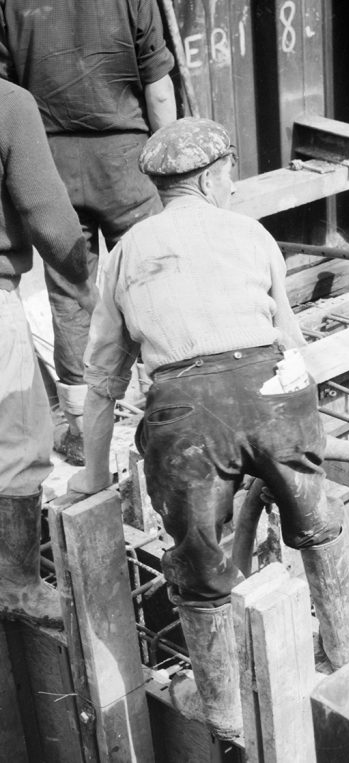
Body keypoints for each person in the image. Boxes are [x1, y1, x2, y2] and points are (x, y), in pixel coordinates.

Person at [68, 118, 349, 740]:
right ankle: (347, 655)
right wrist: (298, 431)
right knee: (317, 522)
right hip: (273, 392)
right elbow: (291, 341)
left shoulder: (123, 256)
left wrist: (93, 476)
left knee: (199, 561)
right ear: (208, 177)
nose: (232, 183)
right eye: (228, 173)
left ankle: (224, 715)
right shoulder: (251, 234)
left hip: (186, 415)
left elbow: (102, 383)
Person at [0, 0, 177, 464]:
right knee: (154, 283)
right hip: (127, 162)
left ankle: (82, 434)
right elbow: (158, 91)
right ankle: (174, 412)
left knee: (70, 291)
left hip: (48, 161)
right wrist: (174, 171)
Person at [0, 78, 90, 629]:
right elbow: (49, 217)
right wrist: (80, 278)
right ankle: (16, 584)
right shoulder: (8, 103)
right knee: (18, 442)